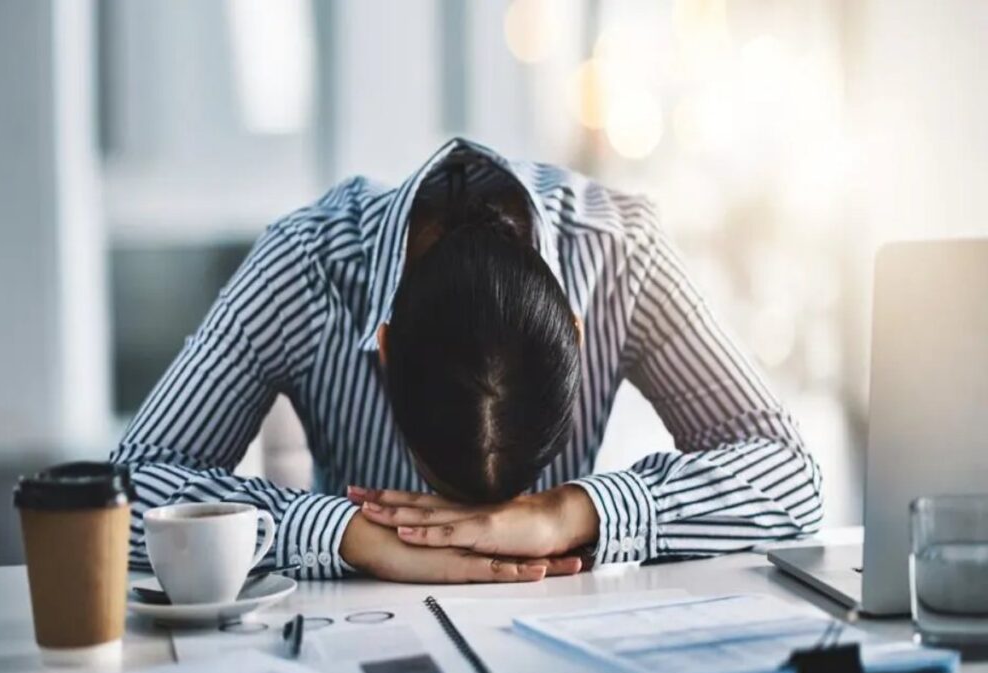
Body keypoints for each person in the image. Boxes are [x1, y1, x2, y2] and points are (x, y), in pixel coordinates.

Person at [111, 138, 823, 583]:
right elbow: (119, 495)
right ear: (382, 346)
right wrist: (349, 536)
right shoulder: (304, 265)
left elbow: (791, 474)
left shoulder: (620, 252)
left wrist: (569, 510)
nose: (476, 529)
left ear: (574, 331)